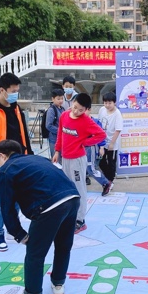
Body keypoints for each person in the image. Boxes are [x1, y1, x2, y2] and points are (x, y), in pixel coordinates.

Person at [0, 140, 80, 294]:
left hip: (48, 206)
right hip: (72, 198)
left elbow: (7, 207)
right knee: (63, 246)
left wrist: (19, 234)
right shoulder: (37, 159)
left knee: (35, 254)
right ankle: (58, 284)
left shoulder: (5, 170)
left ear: (2, 156)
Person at [0, 73, 33, 251]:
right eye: (13, 91)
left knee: (16, 199)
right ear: (2, 90)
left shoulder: (16, 109)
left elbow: (24, 135)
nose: (16, 94)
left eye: (17, 90)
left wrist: (29, 156)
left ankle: (12, 228)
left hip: (19, 162)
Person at [53, 92, 106, 234]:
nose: (76, 111)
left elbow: (101, 135)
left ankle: (80, 220)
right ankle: (70, 215)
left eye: (80, 110)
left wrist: (85, 142)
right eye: (75, 107)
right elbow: (60, 133)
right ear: (72, 102)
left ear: (86, 110)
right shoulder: (64, 115)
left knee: (79, 188)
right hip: (65, 158)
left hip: (77, 160)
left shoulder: (86, 121)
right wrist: (57, 151)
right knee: (67, 187)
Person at [98, 91, 123, 196]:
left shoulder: (117, 114)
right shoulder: (102, 110)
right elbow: (99, 124)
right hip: (102, 142)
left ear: (115, 103)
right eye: (105, 103)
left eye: (110, 103)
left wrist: (112, 143)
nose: (107, 105)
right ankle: (107, 179)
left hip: (112, 143)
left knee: (111, 163)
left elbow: (118, 130)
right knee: (101, 162)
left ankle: (110, 181)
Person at [46, 88, 66, 159]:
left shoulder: (62, 109)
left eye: (62, 98)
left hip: (62, 138)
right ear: (53, 99)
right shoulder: (51, 110)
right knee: (56, 159)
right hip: (54, 139)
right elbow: (48, 125)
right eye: (58, 99)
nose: (61, 101)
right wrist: (60, 131)